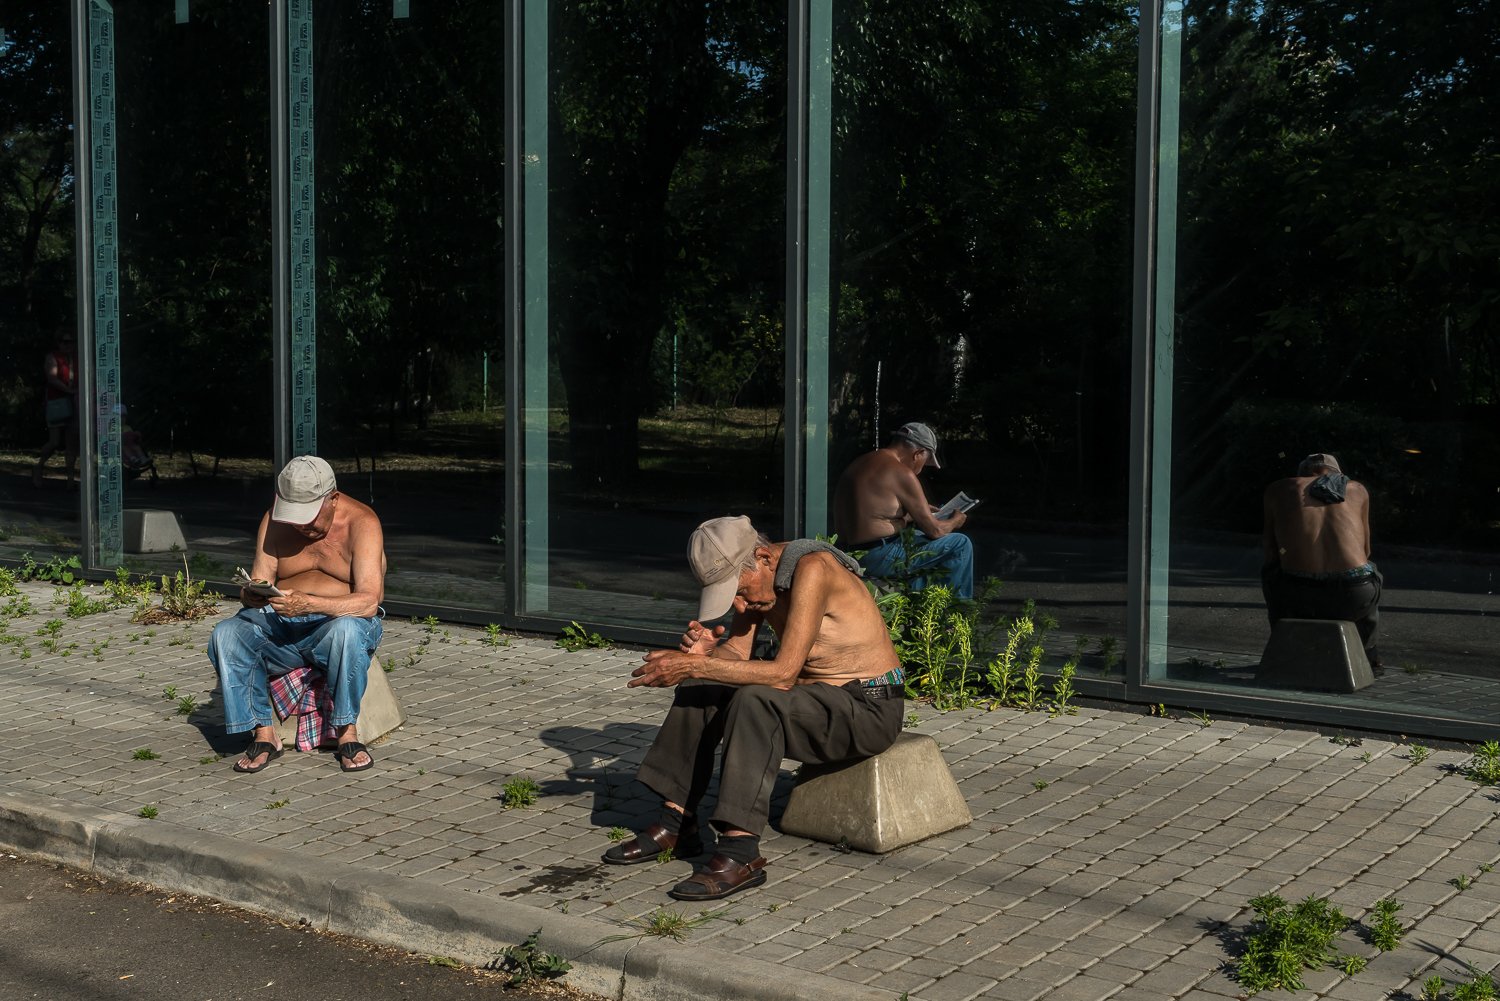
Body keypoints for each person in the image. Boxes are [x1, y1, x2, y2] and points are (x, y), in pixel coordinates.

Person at [607, 515, 904, 901]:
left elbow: (783, 674)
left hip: (867, 708)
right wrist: (704, 657)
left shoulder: (812, 570)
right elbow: (738, 653)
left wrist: (694, 665)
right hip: (813, 702)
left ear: (763, 557)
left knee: (756, 699)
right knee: (703, 682)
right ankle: (677, 823)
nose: (740, 604)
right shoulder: (759, 573)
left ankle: (739, 852)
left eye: (740, 591)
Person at [207, 456, 387, 774]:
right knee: (227, 633)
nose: (302, 526)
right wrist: (252, 593)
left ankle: (347, 733)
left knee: (347, 631)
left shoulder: (363, 523)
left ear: (333, 498)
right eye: (294, 516)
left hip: (335, 623)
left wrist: (311, 604)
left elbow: (369, 602)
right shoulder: (273, 521)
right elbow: (257, 583)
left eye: (310, 516)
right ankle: (264, 734)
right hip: (281, 624)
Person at [1261, 452, 1382, 670]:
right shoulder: (1357, 490)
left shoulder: (1279, 489)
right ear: (1338, 474)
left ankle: (1283, 649)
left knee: (1270, 570)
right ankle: (1369, 658)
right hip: (1352, 596)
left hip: (1296, 595)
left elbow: (1270, 551)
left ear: (1302, 473)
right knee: (1371, 571)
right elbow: (1366, 550)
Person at [832, 421, 974, 598]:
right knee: (960, 544)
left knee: (918, 539)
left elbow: (873, 516)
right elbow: (936, 531)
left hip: (847, 549)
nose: (921, 470)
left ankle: (917, 604)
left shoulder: (862, 461)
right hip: (874, 555)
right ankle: (955, 617)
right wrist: (955, 520)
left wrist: (908, 516)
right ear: (918, 454)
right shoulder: (901, 472)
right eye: (925, 462)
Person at [33, 330, 78, 487]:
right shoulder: (52, 357)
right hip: (57, 402)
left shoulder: (78, 358)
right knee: (55, 441)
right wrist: (69, 390)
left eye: (71, 342)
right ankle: (39, 466)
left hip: (74, 402)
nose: (68, 345)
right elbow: (52, 378)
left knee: (71, 442)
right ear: (59, 343)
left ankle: (71, 479)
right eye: (65, 342)